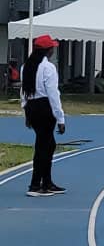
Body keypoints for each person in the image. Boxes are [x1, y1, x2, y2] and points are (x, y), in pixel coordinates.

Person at [21, 35, 66, 197]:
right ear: (48, 50)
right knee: (43, 146)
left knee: (49, 144)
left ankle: (47, 182)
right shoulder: (48, 68)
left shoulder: (26, 66)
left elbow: (24, 92)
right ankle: (35, 185)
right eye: (52, 48)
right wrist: (60, 118)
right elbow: (53, 94)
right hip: (44, 107)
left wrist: (26, 111)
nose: (53, 50)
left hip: (32, 107)